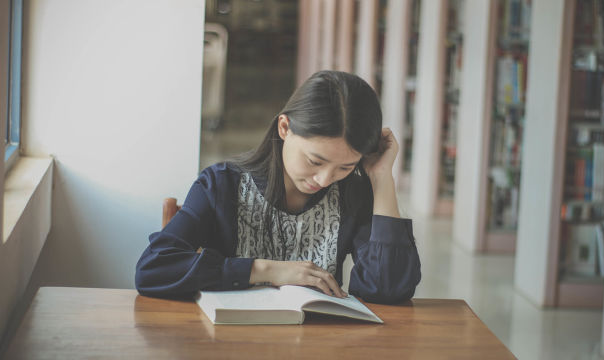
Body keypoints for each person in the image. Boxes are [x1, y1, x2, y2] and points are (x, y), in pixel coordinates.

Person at [135, 70, 421, 304]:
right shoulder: (221, 185)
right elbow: (154, 269)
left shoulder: (351, 193)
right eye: (314, 160)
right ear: (284, 128)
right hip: (227, 349)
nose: (323, 179)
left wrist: (382, 178)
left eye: (345, 167)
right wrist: (267, 270)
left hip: (321, 354)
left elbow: (387, 290)